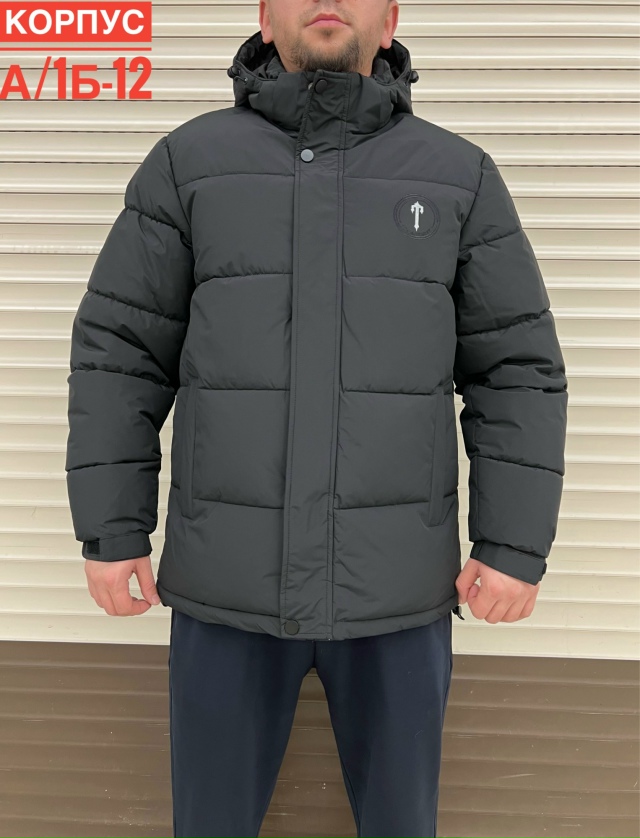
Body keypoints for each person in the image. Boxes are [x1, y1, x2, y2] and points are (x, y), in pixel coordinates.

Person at [65, 1, 569, 836]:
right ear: (266, 18)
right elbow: (121, 354)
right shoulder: (188, 166)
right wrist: (111, 529)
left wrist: (512, 544)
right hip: (226, 595)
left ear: (390, 19)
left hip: (397, 600)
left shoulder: (458, 178)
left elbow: (516, 371)